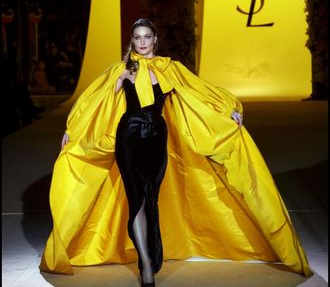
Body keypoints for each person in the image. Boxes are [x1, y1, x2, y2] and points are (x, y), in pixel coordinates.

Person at [40, 19, 312, 285]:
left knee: (150, 197)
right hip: (129, 138)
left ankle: (150, 254)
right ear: (132, 41)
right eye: (138, 37)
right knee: (136, 198)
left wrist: (227, 109)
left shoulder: (171, 69)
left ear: (155, 39)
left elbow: (198, 91)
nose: (143, 42)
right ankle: (146, 264)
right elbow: (96, 103)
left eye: (147, 37)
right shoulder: (121, 70)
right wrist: (72, 130)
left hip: (157, 138)